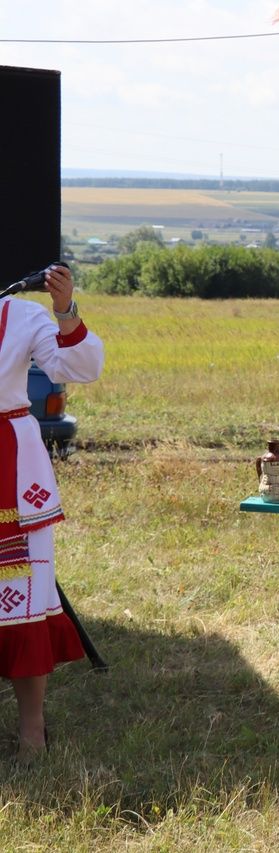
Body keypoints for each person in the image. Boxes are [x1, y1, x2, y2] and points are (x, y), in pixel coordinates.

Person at [0, 264, 104, 761]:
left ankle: (32, 730)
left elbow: (79, 369)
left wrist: (65, 312)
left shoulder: (21, 317)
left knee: (20, 602)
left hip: (14, 475)